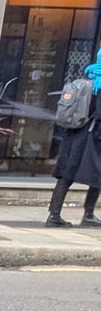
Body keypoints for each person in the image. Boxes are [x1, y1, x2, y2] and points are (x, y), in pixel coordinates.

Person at [48, 53, 101, 227]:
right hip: (93, 138)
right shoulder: (99, 86)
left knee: (66, 174)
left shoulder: (87, 78)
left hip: (74, 135)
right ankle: (88, 214)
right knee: (98, 175)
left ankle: (54, 215)